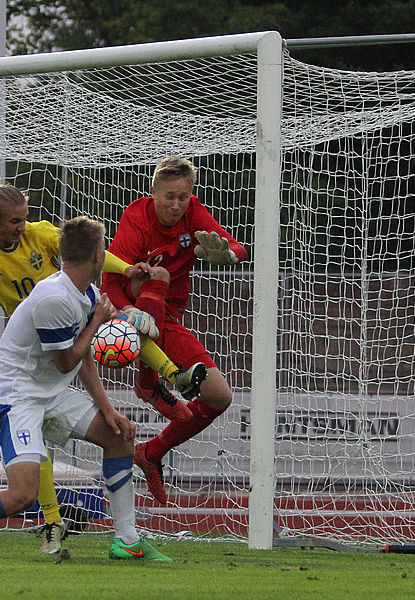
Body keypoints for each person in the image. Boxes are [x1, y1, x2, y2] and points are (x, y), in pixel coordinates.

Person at [0, 181, 206, 553]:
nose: (21, 226)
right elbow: (67, 359)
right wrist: (96, 323)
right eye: (104, 252)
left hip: (50, 389)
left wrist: (108, 410)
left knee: (120, 435)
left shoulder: (85, 292)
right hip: (16, 395)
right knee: (20, 495)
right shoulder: (54, 299)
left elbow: (84, 360)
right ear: (97, 256)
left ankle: (127, 541)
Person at [101, 156, 249, 504]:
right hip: (129, 310)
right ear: (153, 192)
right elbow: (109, 280)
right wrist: (128, 311)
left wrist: (228, 257)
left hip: (169, 317)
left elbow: (237, 247)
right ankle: (148, 382)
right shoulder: (136, 218)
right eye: (169, 196)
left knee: (220, 397)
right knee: (155, 276)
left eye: (183, 196)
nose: (176, 204)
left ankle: (150, 452)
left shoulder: (193, 212)